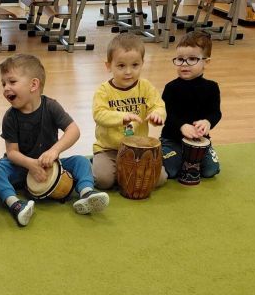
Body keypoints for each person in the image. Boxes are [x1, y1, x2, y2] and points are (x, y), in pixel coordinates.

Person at [0, 53, 109, 227]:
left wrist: (54, 151)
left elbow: (73, 130)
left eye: (12, 82)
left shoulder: (51, 106)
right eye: (3, 83)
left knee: (81, 161)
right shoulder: (10, 117)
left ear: (33, 85)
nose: (6, 88)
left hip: (51, 165)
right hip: (21, 167)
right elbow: (12, 152)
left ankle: (86, 193)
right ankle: (15, 204)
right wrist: (31, 165)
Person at [91, 34, 167, 189]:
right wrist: (122, 117)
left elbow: (158, 106)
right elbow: (99, 114)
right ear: (108, 66)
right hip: (109, 150)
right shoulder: (103, 91)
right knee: (103, 181)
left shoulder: (146, 87)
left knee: (160, 179)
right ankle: (97, 165)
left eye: (135, 65)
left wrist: (157, 115)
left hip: (138, 150)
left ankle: (124, 173)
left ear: (142, 64)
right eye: (121, 66)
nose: (128, 72)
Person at [160, 30, 222, 180]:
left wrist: (207, 122)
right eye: (180, 59)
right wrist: (182, 126)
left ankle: (189, 160)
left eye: (192, 59)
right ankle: (175, 157)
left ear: (206, 62)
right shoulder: (171, 88)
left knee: (211, 171)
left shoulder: (212, 88)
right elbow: (167, 114)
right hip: (172, 139)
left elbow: (216, 113)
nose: (184, 64)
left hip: (199, 141)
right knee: (170, 171)